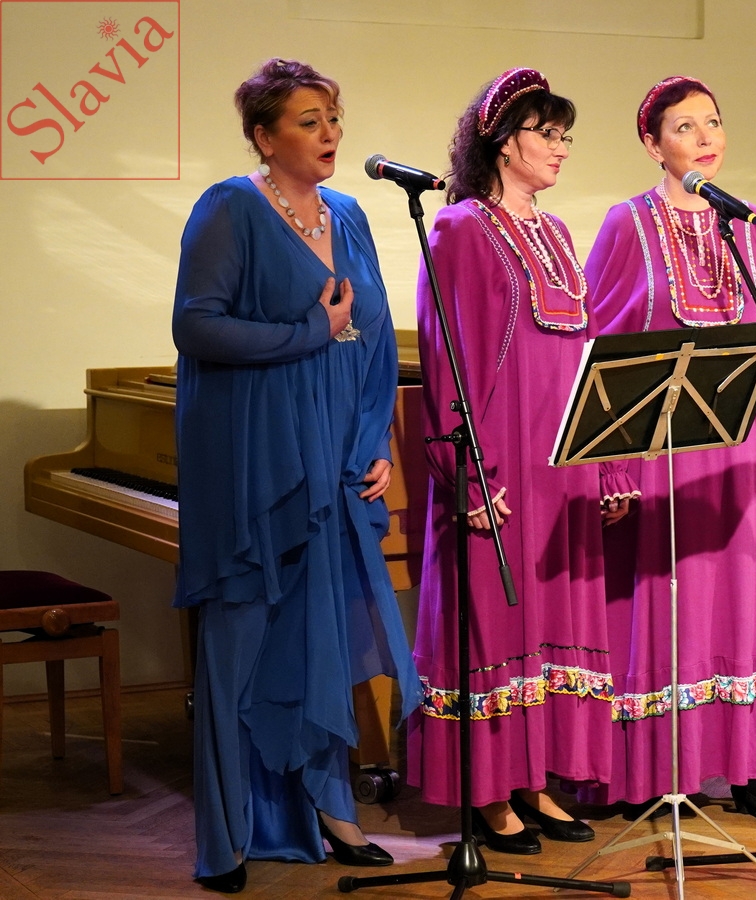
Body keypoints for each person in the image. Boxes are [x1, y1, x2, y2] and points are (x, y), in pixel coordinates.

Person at [173, 58, 420, 893]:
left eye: (334, 117)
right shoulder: (229, 207)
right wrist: (307, 333)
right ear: (263, 135)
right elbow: (197, 327)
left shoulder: (349, 213)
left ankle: (331, 812)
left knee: (319, 639)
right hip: (257, 456)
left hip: (336, 456)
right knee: (240, 648)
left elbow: (374, 338)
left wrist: (377, 439)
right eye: (309, 121)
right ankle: (226, 839)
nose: (330, 134)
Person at [584, 75, 756, 828]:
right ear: (652, 143)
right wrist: (613, 464)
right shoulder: (627, 224)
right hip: (671, 448)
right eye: (685, 126)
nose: (704, 138)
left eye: (713, 123)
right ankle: (665, 768)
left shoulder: (749, 224)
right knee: (679, 605)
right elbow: (600, 345)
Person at [408, 68, 612, 856]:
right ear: (500, 141)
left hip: (562, 465)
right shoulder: (459, 228)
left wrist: (605, 464)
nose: (560, 148)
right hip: (499, 467)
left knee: (554, 625)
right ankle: (490, 792)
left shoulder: (557, 233)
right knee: (495, 626)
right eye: (546, 133)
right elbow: (447, 359)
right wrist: (467, 477)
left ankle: (536, 781)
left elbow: (587, 357)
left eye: (565, 136)